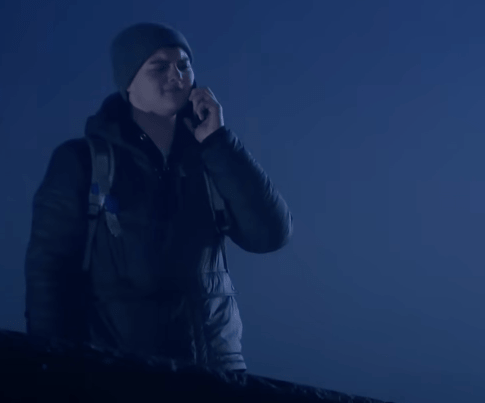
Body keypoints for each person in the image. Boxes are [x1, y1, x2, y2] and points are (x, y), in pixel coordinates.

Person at [23, 22, 292, 372]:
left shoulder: (211, 159)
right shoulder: (84, 161)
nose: (175, 76)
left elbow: (270, 235)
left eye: (183, 65)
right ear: (128, 82)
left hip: (218, 377)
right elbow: (49, 275)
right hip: (123, 375)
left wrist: (219, 142)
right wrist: (57, 370)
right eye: (159, 67)